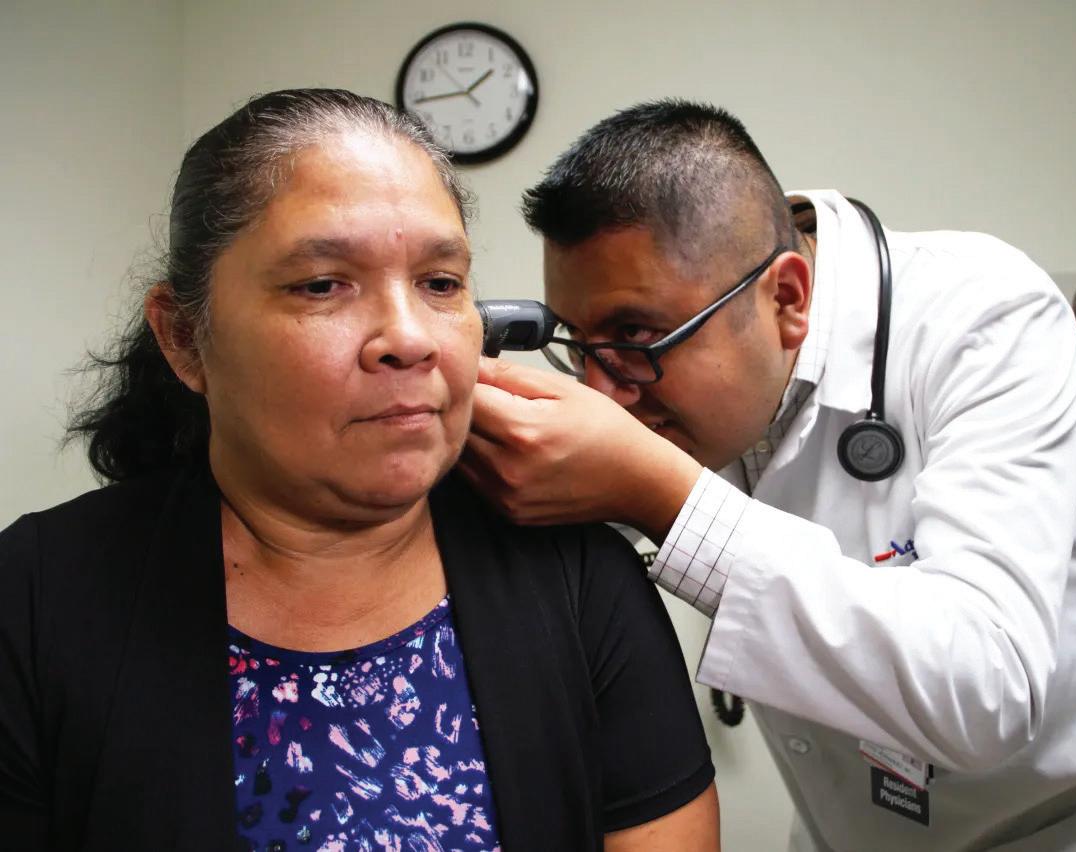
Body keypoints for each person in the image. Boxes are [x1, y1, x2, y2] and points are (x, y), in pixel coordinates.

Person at [459, 99, 1076, 850]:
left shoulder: (984, 318)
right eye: (579, 344)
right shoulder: (687, 365)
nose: (603, 392)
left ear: (786, 298)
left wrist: (662, 496)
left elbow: (990, 692)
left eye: (635, 336)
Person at [0, 89, 720, 851]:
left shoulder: (580, 579)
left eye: (440, 283)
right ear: (183, 337)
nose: (409, 339)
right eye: (322, 285)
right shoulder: (37, 599)